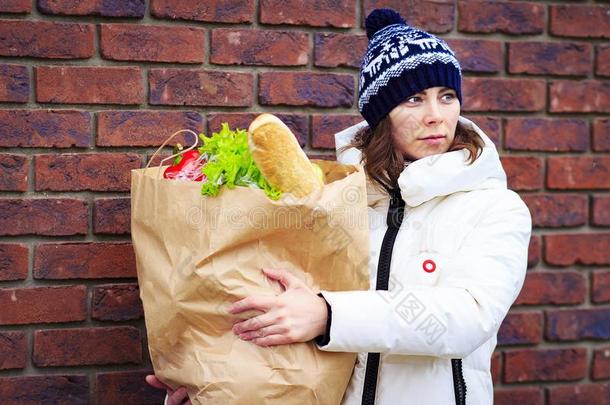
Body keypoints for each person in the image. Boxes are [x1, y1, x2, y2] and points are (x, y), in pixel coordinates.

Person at [148, 8, 531, 405]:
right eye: (414, 99)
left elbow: (465, 318)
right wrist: (213, 376)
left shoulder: (495, 208)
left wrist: (329, 315)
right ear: (381, 115)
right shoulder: (335, 201)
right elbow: (289, 312)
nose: (436, 116)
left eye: (447, 97)